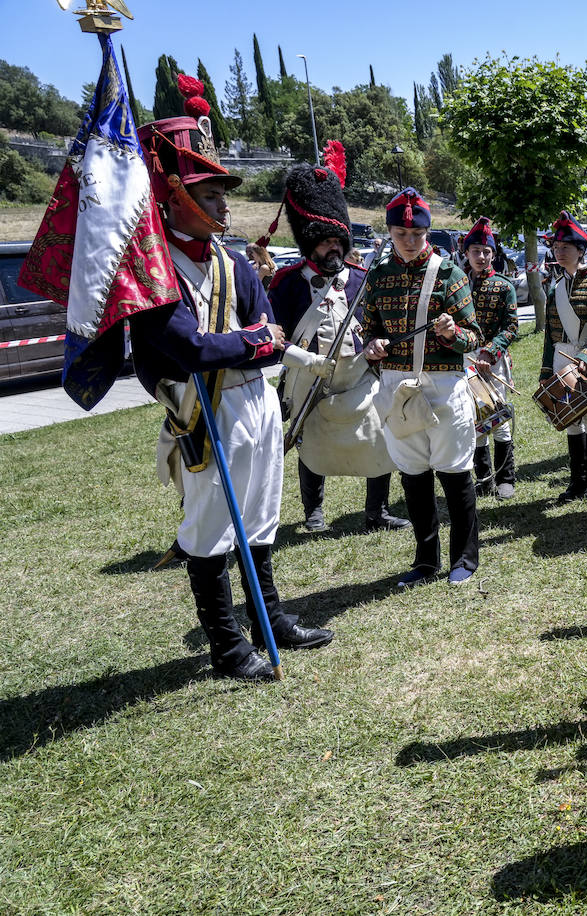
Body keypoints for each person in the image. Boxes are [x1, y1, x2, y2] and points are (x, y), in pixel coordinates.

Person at [131, 81, 333, 682]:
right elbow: (188, 345)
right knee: (212, 526)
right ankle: (226, 645)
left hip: (256, 403)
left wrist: (251, 342)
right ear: (175, 197)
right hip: (203, 410)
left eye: (222, 191)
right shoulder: (152, 270)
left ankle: (269, 618)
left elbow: (264, 320)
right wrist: (251, 343)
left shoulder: (233, 260)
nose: (223, 204)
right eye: (211, 192)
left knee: (261, 514)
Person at [268, 163, 409, 534]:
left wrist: (379, 346)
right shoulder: (286, 285)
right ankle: (314, 513)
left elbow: (381, 325)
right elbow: (272, 338)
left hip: (359, 371)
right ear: (308, 242)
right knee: (309, 441)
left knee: (378, 438)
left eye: (338, 241)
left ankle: (376, 512)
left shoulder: (361, 279)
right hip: (309, 375)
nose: (334, 247)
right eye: (325, 241)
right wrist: (307, 361)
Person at [360, 188, 483, 588]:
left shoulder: (451, 274)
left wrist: (452, 333)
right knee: (413, 474)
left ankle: (464, 557)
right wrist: (372, 345)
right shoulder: (377, 277)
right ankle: (425, 560)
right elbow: (371, 329)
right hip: (398, 387)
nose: (410, 242)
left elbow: (473, 338)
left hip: (444, 387)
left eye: (417, 234)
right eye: (401, 234)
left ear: (428, 232)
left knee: (454, 472)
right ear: (390, 232)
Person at [539, 211, 587, 503]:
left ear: (581, 250)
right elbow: (549, 335)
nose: (559, 252)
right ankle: (576, 481)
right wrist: (547, 370)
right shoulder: (554, 287)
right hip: (561, 358)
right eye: (556, 248)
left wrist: (586, 355)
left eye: (565, 248)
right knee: (570, 419)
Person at [461, 217, 520, 500]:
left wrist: (489, 351)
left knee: (498, 417)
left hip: (494, 360)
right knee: (474, 419)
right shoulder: (456, 284)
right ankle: (484, 479)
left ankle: (506, 478)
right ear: (467, 253)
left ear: (493, 254)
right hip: (464, 359)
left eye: (486, 252)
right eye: (476, 252)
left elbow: (511, 327)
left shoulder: (503, 286)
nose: (481, 257)